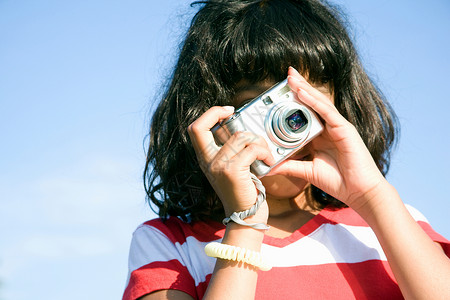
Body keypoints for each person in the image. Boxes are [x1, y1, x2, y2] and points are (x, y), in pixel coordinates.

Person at [123, 0, 450, 299]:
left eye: (306, 103)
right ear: (210, 119)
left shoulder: (396, 225)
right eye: (264, 107)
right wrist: (245, 224)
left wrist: (373, 196)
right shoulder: (167, 245)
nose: (291, 125)